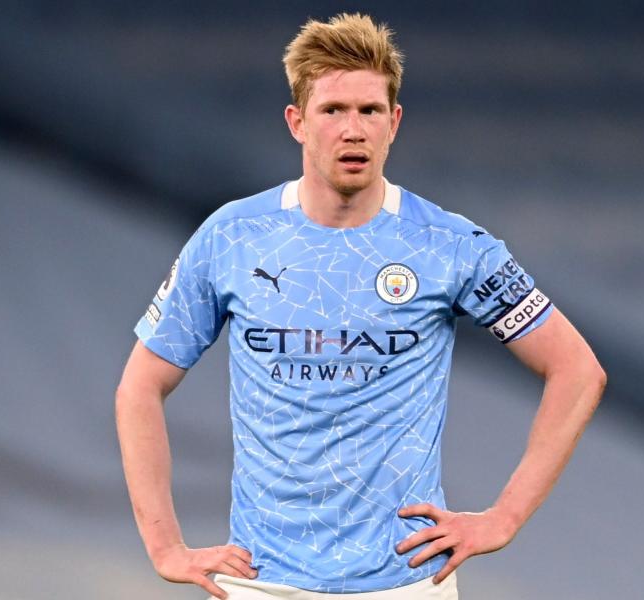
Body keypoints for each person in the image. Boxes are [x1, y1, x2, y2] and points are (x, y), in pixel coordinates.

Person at [116, 13, 605, 600]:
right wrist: (165, 547)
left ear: (394, 122)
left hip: (406, 585)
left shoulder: (451, 245)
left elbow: (577, 370)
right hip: (264, 584)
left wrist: (503, 518)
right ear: (297, 122)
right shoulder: (231, 238)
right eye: (333, 110)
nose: (354, 130)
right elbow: (140, 385)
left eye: (370, 111)